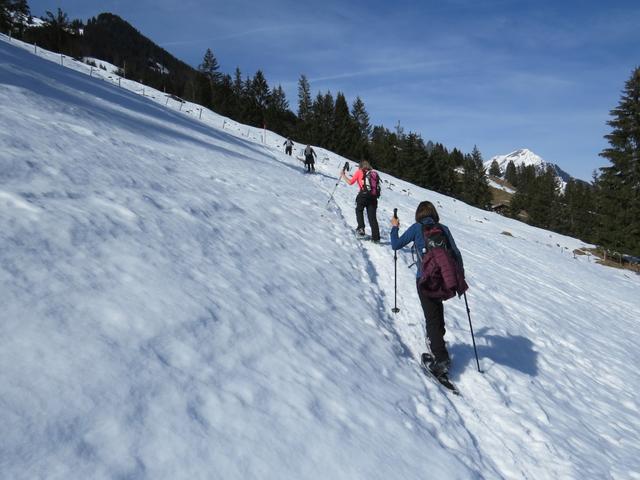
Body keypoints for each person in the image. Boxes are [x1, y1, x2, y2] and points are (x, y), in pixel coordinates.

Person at [390, 201, 464, 376]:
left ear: (419, 214)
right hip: (444, 278)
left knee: (431, 316)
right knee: (437, 310)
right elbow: (456, 253)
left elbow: (395, 244)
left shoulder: (417, 228)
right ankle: (438, 341)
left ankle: (441, 358)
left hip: (424, 279)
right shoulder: (443, 228)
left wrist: (394, 227)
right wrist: (459, 275)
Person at [340, 160, 380, 242]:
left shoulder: (359, 172)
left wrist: (343, 175)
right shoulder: (373, 173)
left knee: (359, 210)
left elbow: (350, 182)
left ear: (360, 166)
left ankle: (361, 229)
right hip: (373, 197)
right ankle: (376, 238)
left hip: (363, 195)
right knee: (372, 217)